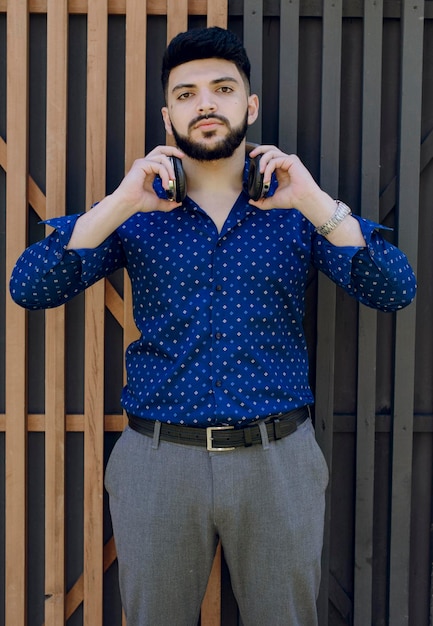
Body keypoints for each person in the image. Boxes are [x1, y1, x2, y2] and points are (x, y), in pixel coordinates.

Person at [10, 26, 416, 626]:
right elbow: (31, 285)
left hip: (277, 461)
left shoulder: (296, 210)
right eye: (186, 93)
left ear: (249, 107)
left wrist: (316, 203)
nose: (205, 103)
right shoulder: (136, 214)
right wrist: (122, 201)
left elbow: (394, 288)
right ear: (167, 115)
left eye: (223, 89)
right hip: (157, 461)